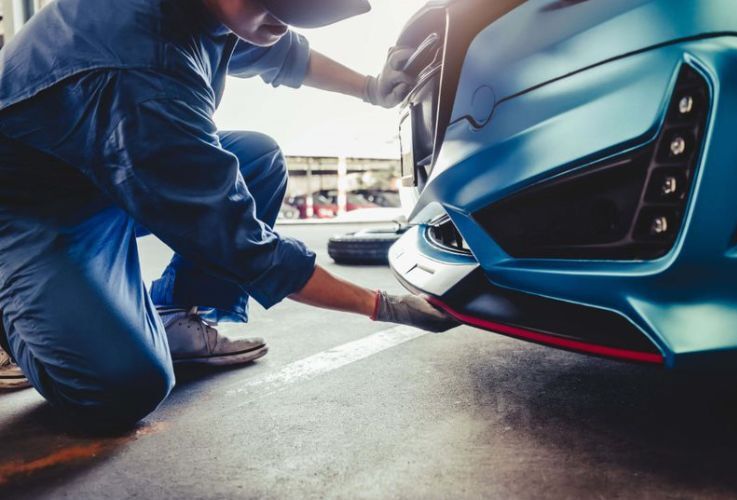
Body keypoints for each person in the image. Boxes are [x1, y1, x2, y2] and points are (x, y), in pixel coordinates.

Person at [0, 0, 457, 428]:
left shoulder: (213, 12)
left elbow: (284, 55)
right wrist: (382, 306)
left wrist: (371, 88)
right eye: (268, 5)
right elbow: (242, 247)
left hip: (99, 170)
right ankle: (16, 316)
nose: (278, 19)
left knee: (256, 157)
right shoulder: (144, 70)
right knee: (121, 389)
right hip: (30, 211)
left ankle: (175, 313)